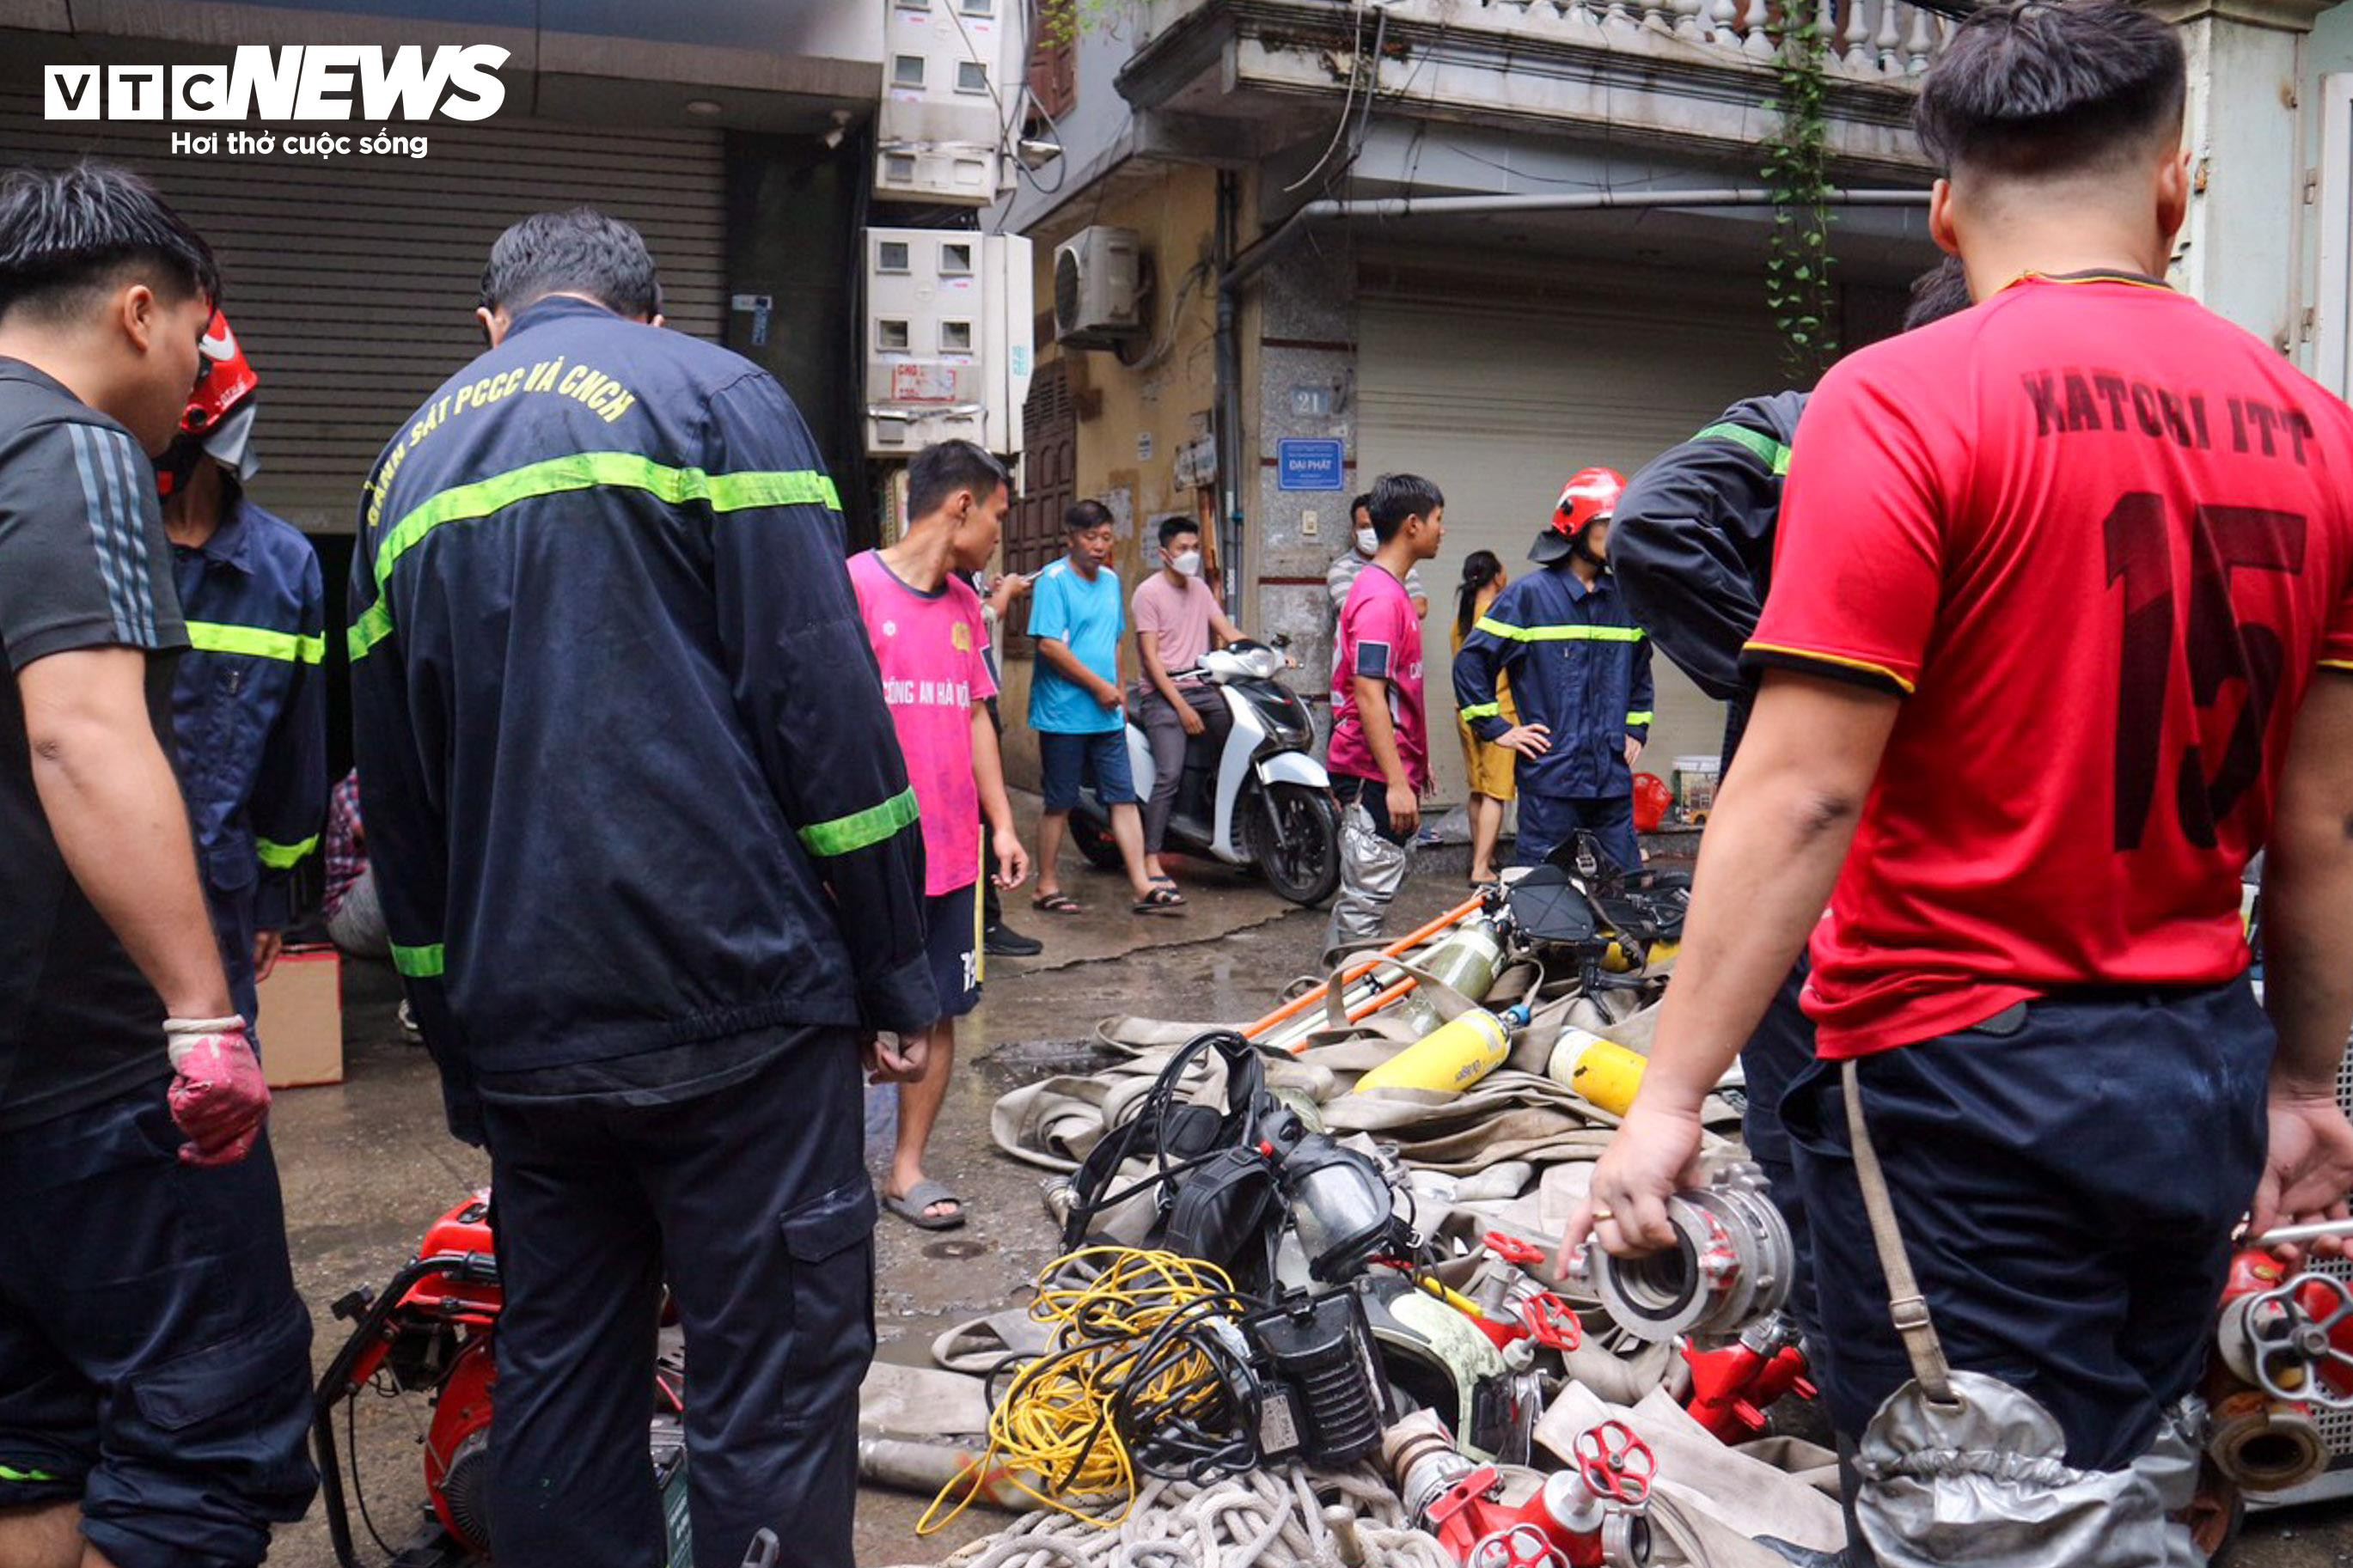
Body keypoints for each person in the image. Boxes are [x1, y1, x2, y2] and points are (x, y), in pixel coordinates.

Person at [1574, 9, 2353, 1559]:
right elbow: (2320, 823)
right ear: (2169, 191)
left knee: (1974, 1505)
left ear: (1944, 208)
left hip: (1960, 1084)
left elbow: (1800, 793)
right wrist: (2301, 1085)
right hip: (2194, 1065)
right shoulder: (2321, 435)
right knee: (2128, 1463)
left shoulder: (1902, 399)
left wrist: (1663, 1095)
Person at [347, 208, 935, 1568]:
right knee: (769, 1389)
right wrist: (896, 963)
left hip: (531, 1035)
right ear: (647, 314)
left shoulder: (402, 469)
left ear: (489, 323)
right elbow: (826, 719)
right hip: (742, 1005)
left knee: (562, 1374)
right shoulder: (717, 397)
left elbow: (401, 802)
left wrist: (453, 1038)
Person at [0, 162, 315, 1568]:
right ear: (138, 311)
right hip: (95, 1080)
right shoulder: (66, 457)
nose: (198, 371)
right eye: (197, 334)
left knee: (24, 1438)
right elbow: (78, 734)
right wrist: (201, 1020)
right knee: (203, 1442)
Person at [1608, 256, 1976, 1352]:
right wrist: (1799, 676)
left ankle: (1847, 1357)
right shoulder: (1817, 424)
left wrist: (1799, 685)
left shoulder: (1833, 427)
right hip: (1917, 866)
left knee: (1815, 1116)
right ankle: (1857, 1352)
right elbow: (1653, 527)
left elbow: (1651, 528)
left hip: (1824, 860)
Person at [851, 440, 1033, 1230]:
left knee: (938, 1010)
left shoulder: (966, 606)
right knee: (842, 1015)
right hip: (864, 851)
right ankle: (830, 1168)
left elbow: (974, 717)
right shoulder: (851, 586)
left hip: (952, 850)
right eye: (997, 514)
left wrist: (1002, 824)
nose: (999, 534)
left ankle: (906, 1169)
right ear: (961, 504)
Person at [158, 309, 327, 1030]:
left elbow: (297, 756)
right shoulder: (87, 544)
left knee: (220, 1118)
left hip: (221, 905)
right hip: (81, 912)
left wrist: (270, 898)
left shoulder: (284, 570)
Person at [1453, 468, 1653, 872]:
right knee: (1545, 896)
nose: (1617, 535)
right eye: (1607, 524)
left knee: (1623, 893)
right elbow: (1472, 663)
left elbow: (1640, 672)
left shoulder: (1625, 599)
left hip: (1610, 782)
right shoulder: (1529, 597)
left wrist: (1635, 729)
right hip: (1551, 783)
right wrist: (1498, 729)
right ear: (1576, 526)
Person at [1028, 500, 1183, 916]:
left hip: (1106, 713)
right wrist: (1098, 687)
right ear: (1071, 538)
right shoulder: (1054, 581)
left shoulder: (1112, 581)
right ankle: (1045, 885)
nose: (1099, 546)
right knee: (1060, 800)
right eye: (1090, 537)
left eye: (1106, 538)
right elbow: (1048, 645)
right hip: (1063, 712)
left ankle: (1141, 885)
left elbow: (1114, 640)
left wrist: (1117, 690)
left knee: (1123, 797)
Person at [1326, 473, 1445, 958]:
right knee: (1363, 904)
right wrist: (1396, 781)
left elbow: (1398, 691)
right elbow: (1370, 694)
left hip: (1386, 765)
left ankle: (1344, 995)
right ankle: (1340, 1007)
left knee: (1372, 895)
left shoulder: (1390, 590)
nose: (1443, 530)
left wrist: (1416, 761)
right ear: (1413, 525)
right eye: (1439, 520)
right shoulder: (1379, 598)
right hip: (1369, 772)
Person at [1132, 514, 1242, 887]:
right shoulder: (1148, 593)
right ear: (1164, 553)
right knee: (1169, 774)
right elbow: (1150, 659)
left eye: (1195, 548)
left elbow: (1227, 632)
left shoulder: (1200, 590)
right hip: (1162, 696)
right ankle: (1151, 856)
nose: (1190, 555)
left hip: (1201, 688)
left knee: (1239, 739)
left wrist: (1265, 654)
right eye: (1183, 549)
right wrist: (1181, 707)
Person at [973, 565, 1042, 957]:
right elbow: (982, 617)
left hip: (983, 695)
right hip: (975, 696)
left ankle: (986, 918)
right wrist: (1004, 596)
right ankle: (985, 921)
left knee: (987, 816)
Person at [1450, 551, 1518, 886]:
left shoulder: (1461, 620)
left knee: (1478, 790)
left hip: (1467, 714)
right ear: (1497, 576)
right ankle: (1481, 868)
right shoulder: (1499, 616)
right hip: (1499, 714)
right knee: (1496, 793)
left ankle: (1483, 857)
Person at [1328, 491, 1431, 621]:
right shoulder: (1341, 568)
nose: (1371, 532)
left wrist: (1373, 606)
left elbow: (1420, 608)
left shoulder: (1402, 564)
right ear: (1354, 532)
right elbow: (1352, 611)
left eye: (1376, 526)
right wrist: (1400, 605)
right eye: (1364, 526)